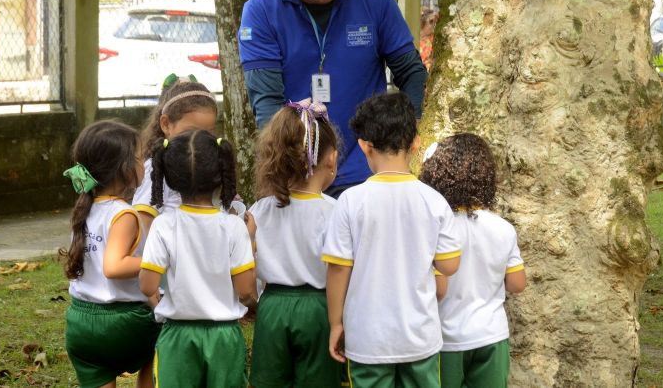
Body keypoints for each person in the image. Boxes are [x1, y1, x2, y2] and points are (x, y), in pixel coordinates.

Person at [238, 0, 428, 198]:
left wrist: (407, 130)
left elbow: (412, 72)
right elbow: (267, 106)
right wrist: (289, 169)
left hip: (367, 172)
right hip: (302, 176)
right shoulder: (262, 10)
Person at [322, 92, 461, 387]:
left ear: (364, 146)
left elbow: (338, 270)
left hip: (368, 339)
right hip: (419, 336)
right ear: (415, 143)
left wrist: (336, 323)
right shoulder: (434, 201)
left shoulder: (350, 201)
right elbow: (449, 266)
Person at [139, 129, 256, 388]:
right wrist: (251, 241)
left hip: (177, 336)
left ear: (169, 177)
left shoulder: (163, 225)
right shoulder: (235, 227)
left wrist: (161, 300)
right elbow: (246, 291)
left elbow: (147, 286)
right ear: (221, 175)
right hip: (224, 337)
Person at [247, 99, 343, 387]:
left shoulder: (260, 208)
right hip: (319, 308)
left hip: (272, 306)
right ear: (331, 158)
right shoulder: (335, 211)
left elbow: (247, 259)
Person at [419, 133, 526, 388]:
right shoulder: (503, 228)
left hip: (445, 339)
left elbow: (437, 288)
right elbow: (517, 283)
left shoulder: (436, 228)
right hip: (491, 336)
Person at [61, 120, 160, 388]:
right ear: (126, 169)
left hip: (80, 322)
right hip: (123, 325)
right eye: (140, 158)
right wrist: (159, 261)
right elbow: (113, 267)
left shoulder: (84, 208)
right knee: (166, 333)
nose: (144, 163)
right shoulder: (123, 214)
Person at [133, 74, 218, 228]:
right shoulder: (156, 169)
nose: (199, 140)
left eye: (208, 133)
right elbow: (143, 227)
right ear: (166, 124)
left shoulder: (209, 164)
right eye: (190, 132)